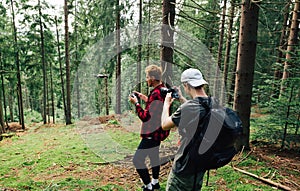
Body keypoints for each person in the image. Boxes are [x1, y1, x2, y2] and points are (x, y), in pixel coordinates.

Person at [161, 68, 210, 191]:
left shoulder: (190, 107)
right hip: (201, 164)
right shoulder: (212, 103)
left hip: (184, 165)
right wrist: (182, 99)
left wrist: (166, 104)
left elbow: (165, 124)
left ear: (186, 85)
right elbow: (197, 108)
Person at [129, 64, 169, 191]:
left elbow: (145, 117)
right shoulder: (162, 90)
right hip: (158, 132)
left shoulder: (156, 94)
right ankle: (155, 182)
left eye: (147, 77)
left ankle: (148, 186)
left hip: (151, 133)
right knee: (154, 157)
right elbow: (155, 106)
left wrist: (136, 104)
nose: (146, 79)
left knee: (137, 160)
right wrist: (142, 97)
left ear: (152, 77)